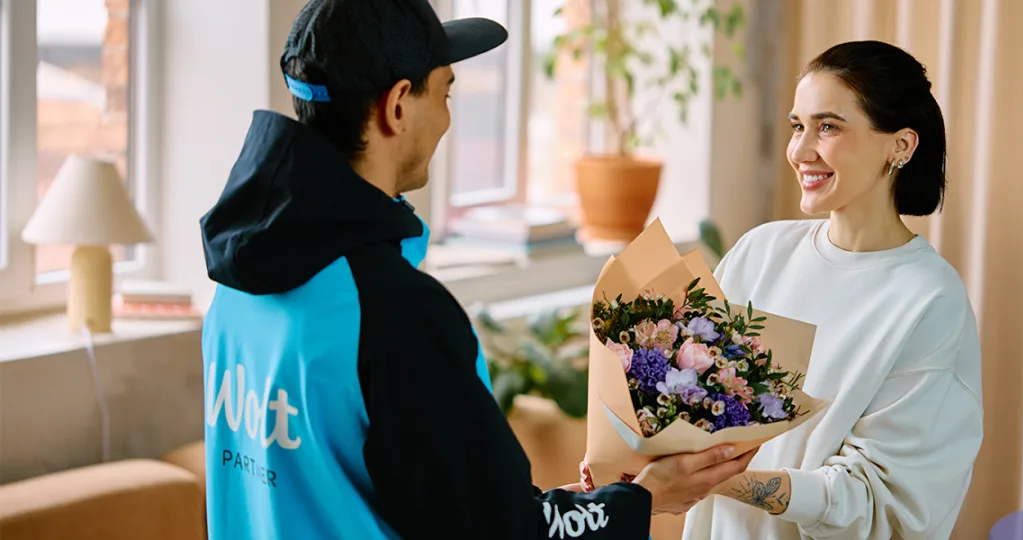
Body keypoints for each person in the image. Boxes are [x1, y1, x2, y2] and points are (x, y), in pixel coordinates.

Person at [198, 1, 755, 539]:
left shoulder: (240, 283)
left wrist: (580, 507)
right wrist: (645, 499)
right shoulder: (394, 311)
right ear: (397, 106)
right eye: (444, 93)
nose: (446, 119)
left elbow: (443, 508)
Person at [582, 40, 984, 539]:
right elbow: (691, 410)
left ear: (900, 145)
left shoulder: (929, 301)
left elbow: (881, 505)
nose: (800, 151)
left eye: (828, 127)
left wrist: (703, 479)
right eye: (798, 126)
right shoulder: (761, 251)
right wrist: (627, 461)